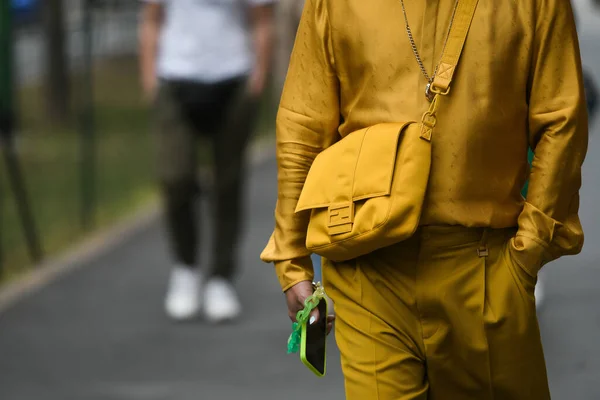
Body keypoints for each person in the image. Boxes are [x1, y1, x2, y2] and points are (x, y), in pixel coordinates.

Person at [261, 0, 588, 398]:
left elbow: (561, 119)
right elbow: (304, 121)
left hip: (485, 270)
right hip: (368, 270)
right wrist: (291, 260)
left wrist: (526, 255)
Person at [139, 0, 275, 322]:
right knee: (176, 178)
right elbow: (151, 20)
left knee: (228, 184)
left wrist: (257, 80)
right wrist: (149, 82)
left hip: (232, 77)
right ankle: (186, 266)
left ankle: (220, 277)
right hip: (175, 78)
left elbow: (262, 22)